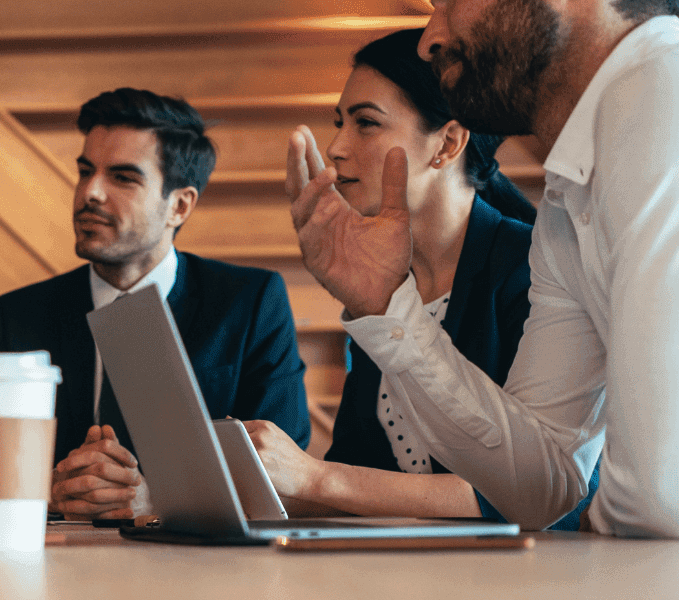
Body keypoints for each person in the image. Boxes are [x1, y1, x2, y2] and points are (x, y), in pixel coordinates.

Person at [289, 0, 679, 536]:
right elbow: (546, 485)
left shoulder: (666, 94)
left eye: (449, 1)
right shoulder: (565, 203)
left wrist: (317, 481)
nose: (430, 37)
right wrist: (386, 308)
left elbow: (660, 498)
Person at [246, 29, 594, 530]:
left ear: (449, 142)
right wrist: (188, 494)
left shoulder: (534, 266)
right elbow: (358, 469)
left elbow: (539, 496)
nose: (336, 147)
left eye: (366, 123)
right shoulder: (383, 279)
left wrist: (317, 478)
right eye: (339, 123)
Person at [0, 88, 312, 520]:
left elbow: (284, 473)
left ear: (179, 205)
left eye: (122, 178)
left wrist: (155, 499)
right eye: (85, 171)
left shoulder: (250, 303)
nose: (90, 192)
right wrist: (55, 490)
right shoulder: (19, 316)